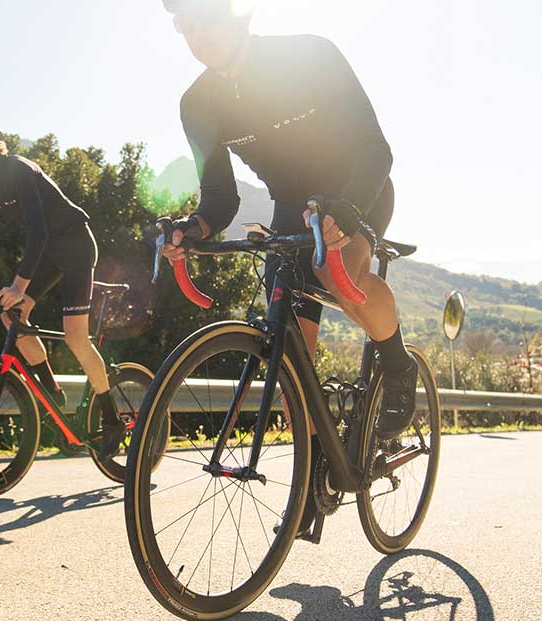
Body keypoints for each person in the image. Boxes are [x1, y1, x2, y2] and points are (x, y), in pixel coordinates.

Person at [159, 0, 418, 530]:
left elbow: (375, 148)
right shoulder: (197, 103)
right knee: (287, 350)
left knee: (339, 280)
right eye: (186, 26)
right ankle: (317, 472)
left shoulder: (309, 55)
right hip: (290, 207)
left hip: (356, 189)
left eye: (206, 19)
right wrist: (193, 230)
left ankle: (397, 365)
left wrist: (347, 209)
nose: (197, 34)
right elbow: (219, 197)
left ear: (236, 16)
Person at [0, 115, 125, 459]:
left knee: (75, 336)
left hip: (74, 247)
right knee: (9, 314)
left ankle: (111, 418)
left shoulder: (18, 169)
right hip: (48, 254)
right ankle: (52, 392)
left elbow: (38, 231)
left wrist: (18, 285)